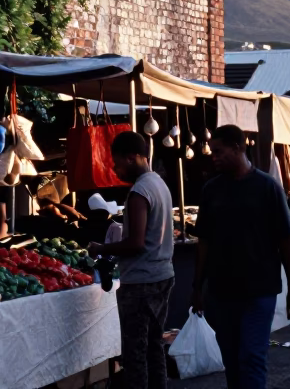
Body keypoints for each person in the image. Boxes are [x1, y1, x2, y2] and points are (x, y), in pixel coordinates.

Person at [191, 125, 290, 389]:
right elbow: (203, 241)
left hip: (259, 290)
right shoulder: (211, 190)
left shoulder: (268, 188)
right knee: (231, 359)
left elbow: (286, 241)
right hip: (221, 291)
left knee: (251, 356)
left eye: (219, 151)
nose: (213, 157)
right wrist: (197, 287)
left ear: (238, 148)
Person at [88, 131, 175, 389]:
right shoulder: (159, 183)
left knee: (136, 355)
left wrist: (101, 247)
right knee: (154, 347)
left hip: (141, 284)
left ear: (133, 157)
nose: (115, 169)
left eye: (117, 163)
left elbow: (136, 243)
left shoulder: (139, 191)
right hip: (162, 276)